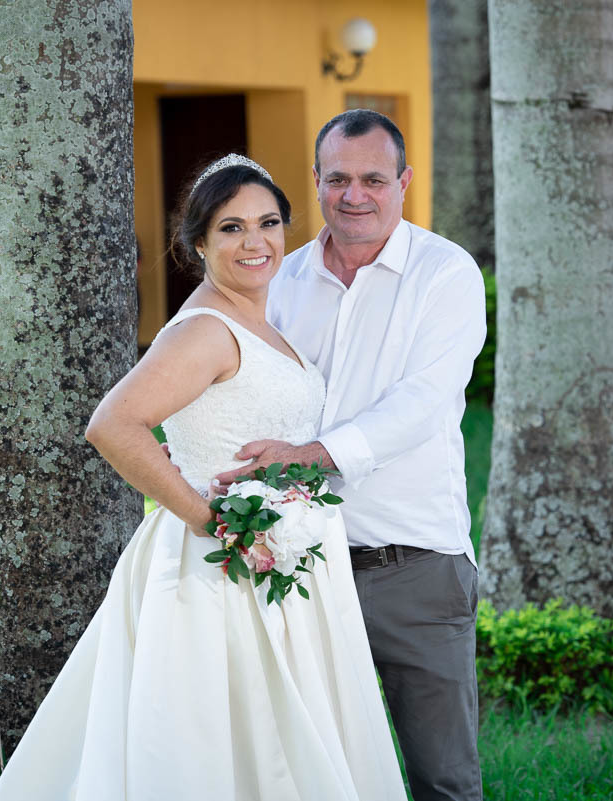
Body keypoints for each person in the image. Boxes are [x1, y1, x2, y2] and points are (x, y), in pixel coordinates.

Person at [0, 155, 408, 801]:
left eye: (267, 223)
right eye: (231, 228)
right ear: (199, 242)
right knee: (225, 736)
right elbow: (114, 424)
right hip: (219, 570)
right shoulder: (206, 329)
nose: (255, 241)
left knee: (274, 734)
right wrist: (213, 519)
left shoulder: (256, 321)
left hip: (275, 561)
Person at [213, 110, 487, 801]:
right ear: (315, 181)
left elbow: (422, 403)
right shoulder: (281, 278)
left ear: (404, 182)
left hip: (413, 566)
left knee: (443, 777)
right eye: (338, 178)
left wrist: (312, 455)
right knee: (307, 775)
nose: (354, 194)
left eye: (373, 178)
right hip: (292, 565)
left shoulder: (445, 274)